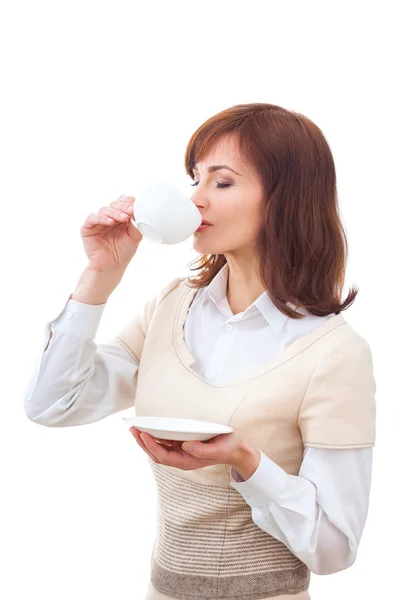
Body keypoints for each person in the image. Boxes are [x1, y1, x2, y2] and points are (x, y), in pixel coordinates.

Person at [23, 102, 376, 600]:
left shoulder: (335, 353)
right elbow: (51, 404)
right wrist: (100, 276)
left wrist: (249, 464)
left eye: (222, 182)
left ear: (285, 199)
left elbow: (335, 549)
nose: (196, 200)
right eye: (195, 179)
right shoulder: (172, 307)